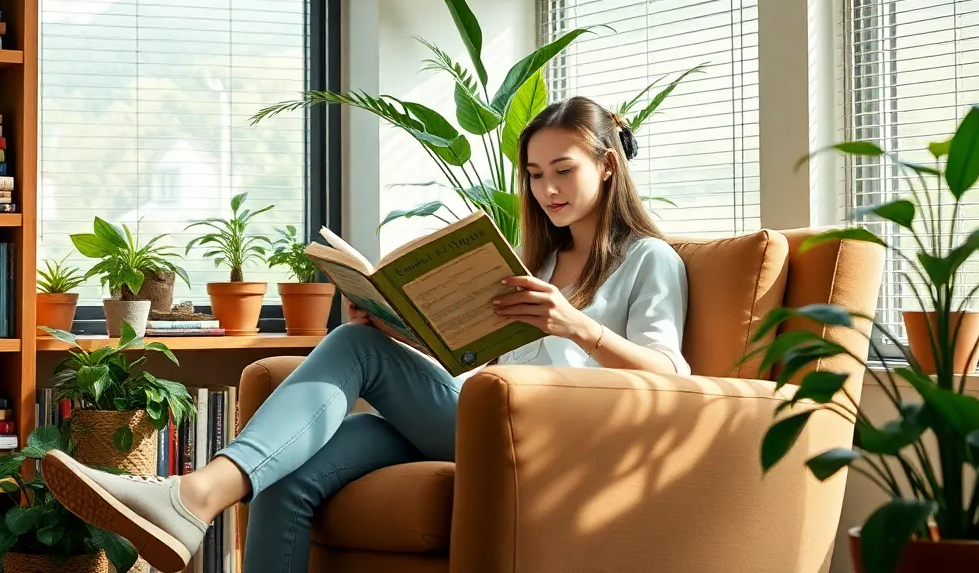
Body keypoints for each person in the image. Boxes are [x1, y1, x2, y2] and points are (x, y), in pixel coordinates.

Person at [41, 96, 691, 573]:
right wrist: (401, 331)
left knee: (352, 350)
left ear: (607, 165)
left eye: (563, 169)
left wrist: (572, 322)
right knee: (288, 475)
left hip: (546, 437)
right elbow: (478, 356)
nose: (546, 186)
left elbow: (670, 376)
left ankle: (188, 497)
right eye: (535, 173)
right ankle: (196, 496)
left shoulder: (649, 260)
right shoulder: (539, 264)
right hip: (479, 411)